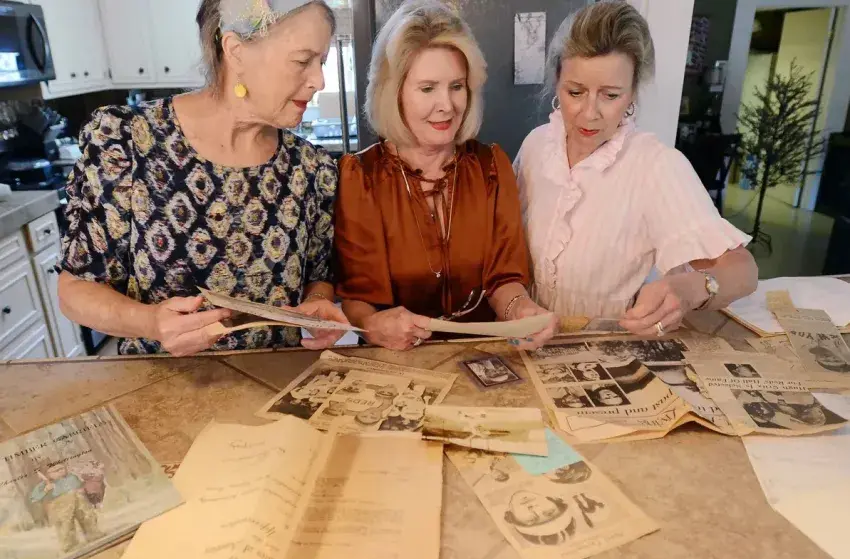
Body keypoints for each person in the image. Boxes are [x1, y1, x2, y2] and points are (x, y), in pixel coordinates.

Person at [57, 0, 348, 356]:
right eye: (303, 61)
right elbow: (75, 289)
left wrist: (317, 302)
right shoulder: (128, 142)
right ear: (236, 51)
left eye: (322, 63)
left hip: (278, 379)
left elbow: (318, 275)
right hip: (161, 383)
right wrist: (151, 322)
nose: (319, 81)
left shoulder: (312, 167)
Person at [514, 1, 758, 337]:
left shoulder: (655, 166)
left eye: (610, 95)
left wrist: (691, 289)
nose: (589, 113)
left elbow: (743, 270)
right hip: (528, 341)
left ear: (632, 95)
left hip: (604, 348)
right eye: (576, 92)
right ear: (557, 82)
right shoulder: (535, 146)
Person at [333, 0, 557, 352]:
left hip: (485, 357)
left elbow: (504, 281)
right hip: (397, 362)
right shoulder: (361, 177)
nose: (447, 105)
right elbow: (358, 300)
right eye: (427, 88)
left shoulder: (491, 167)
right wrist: (373, 325)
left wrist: (520, 309)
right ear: (394, 93)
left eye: (456, 86)